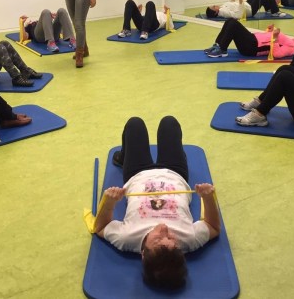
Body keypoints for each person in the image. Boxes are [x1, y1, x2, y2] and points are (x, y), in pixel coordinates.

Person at [94, 116, 220, 290]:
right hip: (174, 173)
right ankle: (174, 153)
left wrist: (109, 201)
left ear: (143, 254)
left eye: (158, 239)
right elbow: (213, 227)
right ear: (179, 249)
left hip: (137, 174)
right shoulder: (189, 240)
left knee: (135, 124)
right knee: (169, 123)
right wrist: (208, 197)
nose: (164, 229)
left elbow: (100, 227)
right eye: (172, 240)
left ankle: (123, 157)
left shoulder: (127, 238)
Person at [204, 18, 294, 59]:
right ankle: (218, 45)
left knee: (233, 24)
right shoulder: (290, 41)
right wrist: (269, 31)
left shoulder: (293, 47)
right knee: (230, 21)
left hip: (252, 47)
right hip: (253, 40)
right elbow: (267, 40)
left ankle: (222, 50)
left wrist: (274, 37)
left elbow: (277, 54)